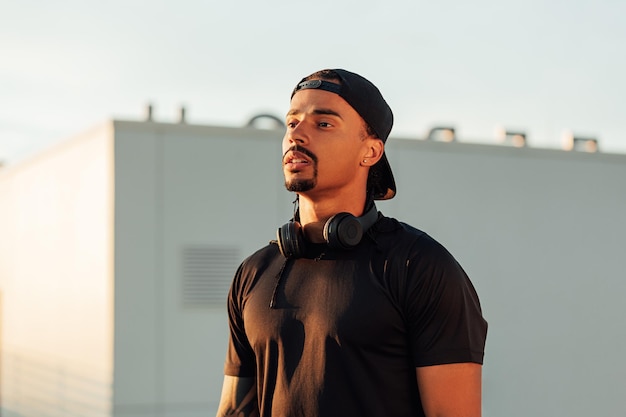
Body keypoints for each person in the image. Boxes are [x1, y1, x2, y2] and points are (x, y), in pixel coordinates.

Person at [216, 69, 488, 417]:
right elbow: (233, 411)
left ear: (371, 151)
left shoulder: (419, 267)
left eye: (323, 124)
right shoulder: (254, 273)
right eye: (292, 122)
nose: (296, 135)